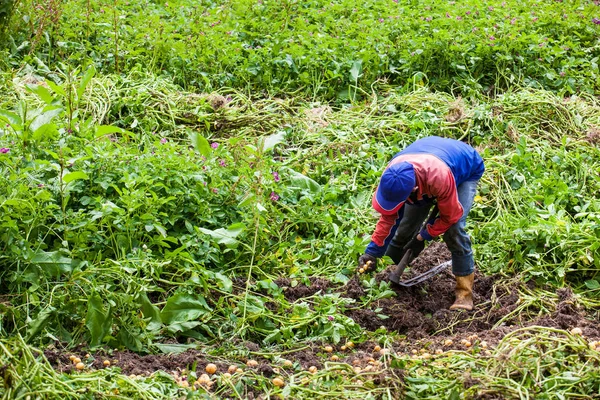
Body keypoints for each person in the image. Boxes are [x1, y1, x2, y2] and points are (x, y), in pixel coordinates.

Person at [358, 136, 484, 311]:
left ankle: (464, 294)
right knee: (404, 229)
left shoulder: (438, 178)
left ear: (414, 190)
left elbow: (449, 217)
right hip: (427, 164)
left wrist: (423, 236)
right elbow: (389, 218)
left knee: (454, 231)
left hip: (464, 169)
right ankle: (389, 273)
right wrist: (372, 252)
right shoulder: (393, 175)